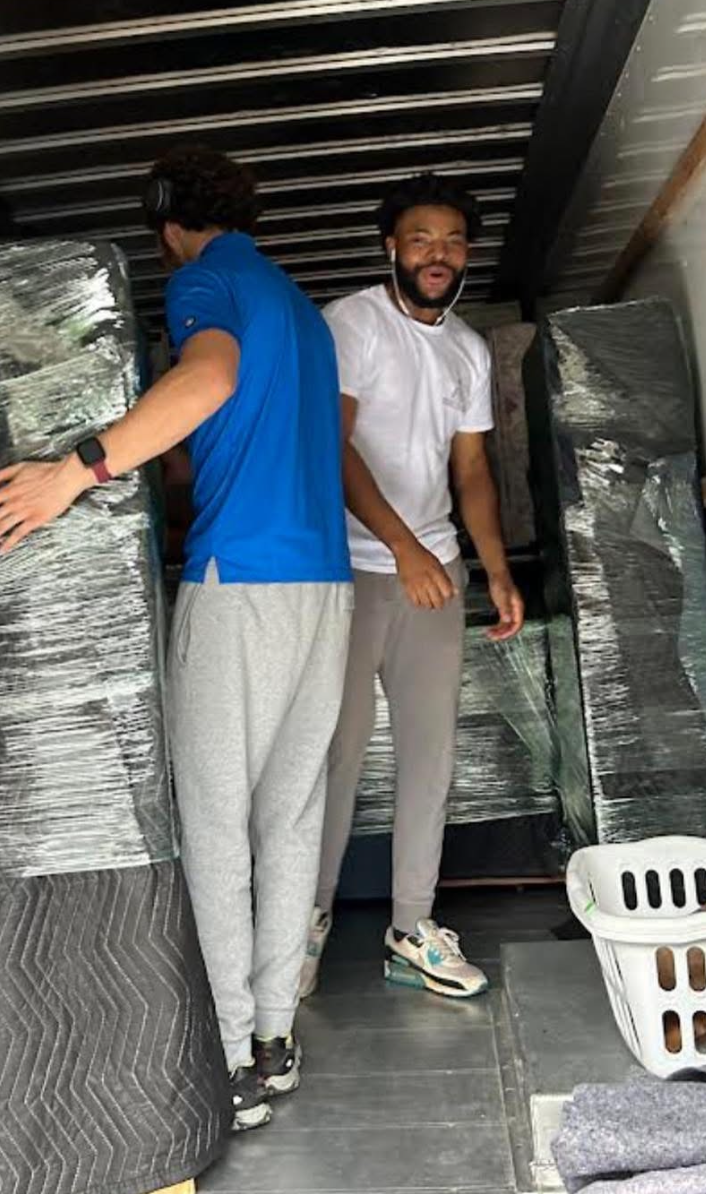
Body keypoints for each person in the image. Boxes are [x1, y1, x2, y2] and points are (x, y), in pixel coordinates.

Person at [0, 146, 352, 1132]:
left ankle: (221, 1056)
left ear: (168, 221)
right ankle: (272, 1035)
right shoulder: (300, 308)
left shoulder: (202, 279)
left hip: (244, 582)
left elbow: (210, 377)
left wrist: (76, 469)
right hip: (325, 586)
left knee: (214, 818)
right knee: (290, 814)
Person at [300, 172, 525, 1001]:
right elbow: (335, 447)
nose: (440, 254)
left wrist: (494, 569)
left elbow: (470, 472)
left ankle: (410, 929)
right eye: (423, 238)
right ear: (391, 246)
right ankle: (304, 928)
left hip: (434, 570)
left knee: (431, 756)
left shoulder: (467, 347)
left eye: (455, 240)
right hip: (354, 569)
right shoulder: (350, 324)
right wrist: (402, 548)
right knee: (338, 756)